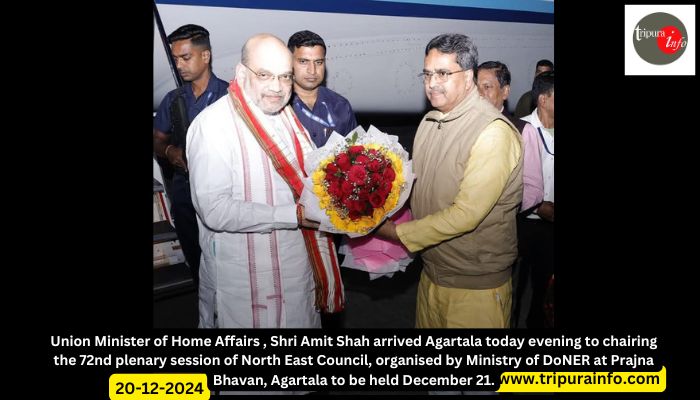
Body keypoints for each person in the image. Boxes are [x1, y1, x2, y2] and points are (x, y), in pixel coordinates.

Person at [186, 33, 344, 330]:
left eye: (285, 77)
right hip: (244, 287)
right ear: (241, 73)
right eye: (264, 74)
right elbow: (215, 210)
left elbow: (311, 182)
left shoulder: (289, 120)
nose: (277, 87)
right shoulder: (213, 126)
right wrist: (293, 216)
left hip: (295, 279)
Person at [376, 33, 523, 330]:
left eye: (443, 73)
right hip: (432, 275)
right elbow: (415, 188)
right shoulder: (431, 122)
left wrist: (395, 232)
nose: (432, 83)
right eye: (427, 73)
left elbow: (465, 215)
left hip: (475, 288)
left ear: (468, 77)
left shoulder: (492, 131)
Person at [153, 24, 229, 286]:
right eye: (175, 59)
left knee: (230, 270)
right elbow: (158, 140)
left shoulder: (232, 97)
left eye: (185, 58)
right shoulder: (173, 100)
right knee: (198, 267)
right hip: (185, 196)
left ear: (205, 56)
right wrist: (169, 151)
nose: (179, 65)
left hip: (226, 197)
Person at [517, 70, 554, 328]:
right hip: (522, 224)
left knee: (544, 290)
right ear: (543, 99)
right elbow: (508, 182)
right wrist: (539, 206)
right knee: (514, 289)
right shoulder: (519, 130)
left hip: (551, 229)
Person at [287, 30, 357, 147]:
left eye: (318, 62)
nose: (312, 70)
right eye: (303, 62)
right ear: (289, 62)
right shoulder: (278, 106)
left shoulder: (341, 106)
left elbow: (355, 154)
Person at [477, 60, 526, 133]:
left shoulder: (522, 130)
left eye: (487, 87)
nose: (479, 93)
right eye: (476, 87)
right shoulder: (465, 125)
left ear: (505, 91)